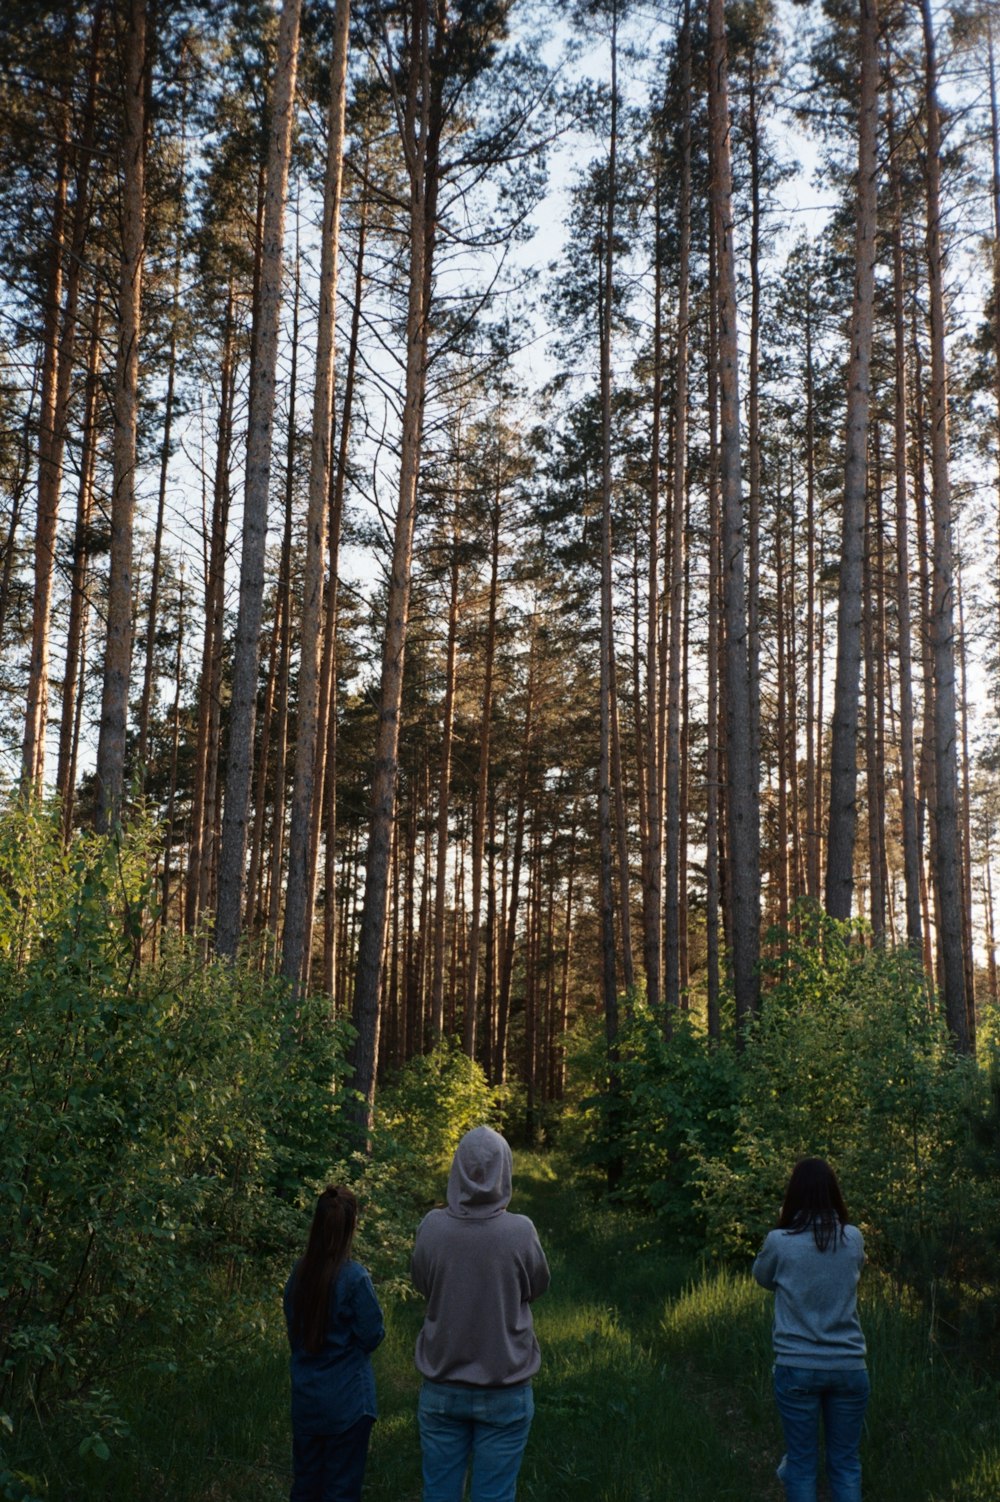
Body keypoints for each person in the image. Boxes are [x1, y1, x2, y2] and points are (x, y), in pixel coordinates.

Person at [411, 1125, 550, 1502]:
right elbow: (536, 1288)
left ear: (457, 1169)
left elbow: (424, 1284)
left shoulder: (432, 1227)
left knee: (438, 1495)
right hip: (505, 1388)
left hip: (442, 1387)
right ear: (504, 1170)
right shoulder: (521, 1232)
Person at [752, 1158, 869, 1502]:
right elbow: (855, 1271)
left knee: (801, 1464)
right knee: (846, 1464)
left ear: (793, 1195)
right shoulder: (854, 1238)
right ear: (834, 1193)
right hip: (849, 1366)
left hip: (797, 1367)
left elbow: (762, 1277)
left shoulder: (779, 1241)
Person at [284, 1185, 385, 1502]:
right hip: (348, 1405)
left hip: (307, 1400)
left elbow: (294, 1333)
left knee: (306, 1487)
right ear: (352, 1226)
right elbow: (373, 1334)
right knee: (341, 1490)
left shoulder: (299, 1274)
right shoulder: (355, 1278)